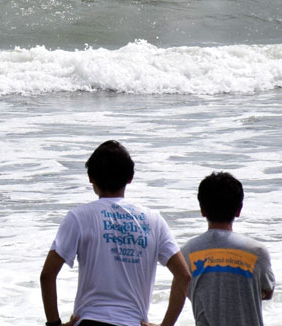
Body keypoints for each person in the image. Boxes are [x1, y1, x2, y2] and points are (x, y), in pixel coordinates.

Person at [40, 140, 191, 326]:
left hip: (90, 321)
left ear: (91, 178)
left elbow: (47, 275)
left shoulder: (79, 217)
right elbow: (184, 276)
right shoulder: (154, 220)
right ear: (130, 178)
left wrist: (54, 324)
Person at [180, 172, 275, 326]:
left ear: (202, 210)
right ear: (239, 210)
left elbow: (188, 292)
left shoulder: (188, 251)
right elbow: (267, 292)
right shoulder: (256, 251)